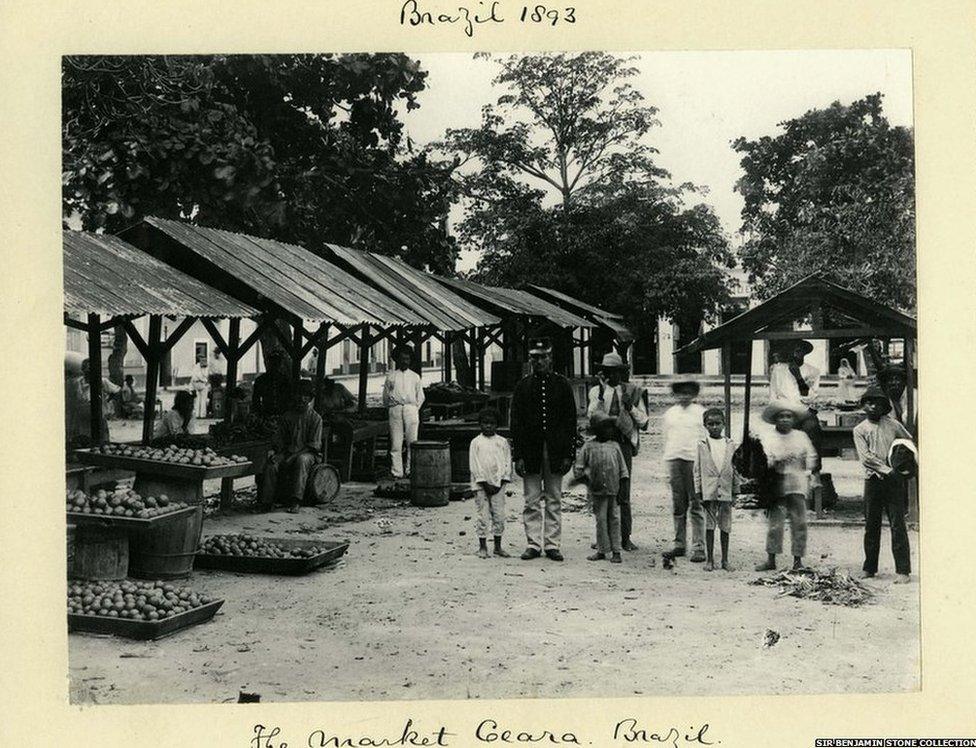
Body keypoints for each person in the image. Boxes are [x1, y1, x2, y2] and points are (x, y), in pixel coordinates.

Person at [510, 335, 577, 562]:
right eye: (534, 358)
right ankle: (533, 544)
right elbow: (516, 424)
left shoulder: (563, 386)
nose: (538, 362)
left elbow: (570, 422)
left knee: (554, 498)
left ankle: (552, 544)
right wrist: (517, 455)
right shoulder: (522, 387)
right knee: (531, 500)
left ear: (551, 358)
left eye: (543, 357)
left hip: (556, 450)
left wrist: (569, 454)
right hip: (530, 451)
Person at [586, 351, 648, 551]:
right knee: (601, 490)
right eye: (609, 372)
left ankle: (625, 537)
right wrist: (603, 395)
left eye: (617, 372)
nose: (613, 376)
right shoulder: (596, 391)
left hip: (622, 445)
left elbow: (644, 421)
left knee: (623, 491)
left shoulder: (633, 391)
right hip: (602, 445)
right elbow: (592, 417)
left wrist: (630, 407)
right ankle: (603, 537)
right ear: (603, 373)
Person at [853, 387, 914, 583]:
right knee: (871, 524)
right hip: (873, 480)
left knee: (898, 524)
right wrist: (889, 471)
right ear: (863, 406)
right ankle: (869, 568)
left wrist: (901, 462)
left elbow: (908, 442)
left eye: (878, 403)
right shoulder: (860, 430)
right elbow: (866, 458)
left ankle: (903, 570)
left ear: (884, 407)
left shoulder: (894, 425)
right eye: (869, 402)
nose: (873, 406)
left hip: (894, 482)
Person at [755, 400, 818, 572]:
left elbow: (811, 456)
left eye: (788, 416)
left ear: (793, 419)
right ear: (775, 419)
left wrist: (806, 467)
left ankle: (798, 560)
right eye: (781, 416)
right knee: (775, 523)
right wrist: (775, 461)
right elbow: (763, 458)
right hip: (777, 485)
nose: (784, 420)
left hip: (797, 484)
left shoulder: (800, 436)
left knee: (799, 523)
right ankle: (771, 559)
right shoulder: (768, 437)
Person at [260, 380, 323, 513]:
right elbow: (280, 440)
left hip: (309, 454)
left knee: (302, 460)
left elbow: (313, 445)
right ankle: (267, 501)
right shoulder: (287, 416)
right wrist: (277, 454)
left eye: (305, 396)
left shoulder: (316, 418)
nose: (301, 398)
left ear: (310, 398)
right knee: (271, 464)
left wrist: (294, 456)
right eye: (299, 395)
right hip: (288, 452)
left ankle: (296, 500)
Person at [663, 379, 707, 561]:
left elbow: (705, 439)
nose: (684, 396)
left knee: (696, 504)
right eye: (681, 392)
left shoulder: (701, 412)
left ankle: (699, 547)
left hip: (694, 460)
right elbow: (665, 438)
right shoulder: (670, 414)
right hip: (674, 459)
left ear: (694, 394)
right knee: (678, 504)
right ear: (676, 394)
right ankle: (679, 544)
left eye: (688, 392)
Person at [578, 413, 629, 564]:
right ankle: (602, 549)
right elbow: (579, 467)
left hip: (614, 489)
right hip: (597, 491)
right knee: (600, 520)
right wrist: (587, 481)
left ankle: (616, 550)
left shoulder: (615, 447)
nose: (609, 431)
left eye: (610, 428)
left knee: (614, 519)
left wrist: (623, 490)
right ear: (596, 430)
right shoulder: (588, 447)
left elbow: (623, 471)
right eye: (605, 428)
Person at [693, 408, 740, 571]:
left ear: (724, 424)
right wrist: (699, 492)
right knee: (710, 526)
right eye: (710, 424)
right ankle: (710, 560)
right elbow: (697, 470)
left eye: (717, 423)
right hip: (709, 492)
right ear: (705, 426)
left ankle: (725, 560)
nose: (714, 427)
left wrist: (735, 492)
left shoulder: (731, 445)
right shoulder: (702, 445)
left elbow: (735, 470)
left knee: (726, 526)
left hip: (726, 491)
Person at [469, 407, 512, 559]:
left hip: (498, 485)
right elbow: (475, 465)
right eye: (485, 423)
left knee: (499, 515)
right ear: (480, 424)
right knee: (483, 515)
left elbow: (507, 462)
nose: (488, 426)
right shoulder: (476, 442)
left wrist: (501, 481)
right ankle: (482, 547)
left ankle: (498, 546)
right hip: (481, 486)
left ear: (497, 425)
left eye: (492, 423)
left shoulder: (502, 442)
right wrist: (484, 483)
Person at [383, 345, 425, 478]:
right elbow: (385, 397)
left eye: (407, 359)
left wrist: (413, 408)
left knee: (412, 442)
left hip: (411, 409)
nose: (404, 361)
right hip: (395, 409)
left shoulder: (415, 377)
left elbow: (421, 396)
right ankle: (397, 472)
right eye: (402, 359)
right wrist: (392, 407)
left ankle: (410, 470)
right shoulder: (391, 376)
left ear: (410, 360)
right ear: (397, 360)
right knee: (396, 443)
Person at [80, 358, 120, 442]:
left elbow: (116, 391)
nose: (87, 372)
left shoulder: (102, 381)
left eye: (90, 369)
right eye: (85, 369)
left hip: (99, 414)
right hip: (83, 416)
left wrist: (106, 401)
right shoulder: (80, 382)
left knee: (101, 437)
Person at [252, 348, 293, 419]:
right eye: (273, 362)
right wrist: (260, 414)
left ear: (280, 364)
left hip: (283, 416)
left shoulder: (285, 380)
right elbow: (256, 401)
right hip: (266, 415)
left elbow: (289, 399)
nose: (275, 365)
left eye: (277, 362)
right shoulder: (261, 380)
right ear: (268, 363)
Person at [877, 364, 918, 434]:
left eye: (897, 379)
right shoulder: (890, 396)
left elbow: (909, 422)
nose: (893, 383)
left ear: (904, 382)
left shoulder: (913, 394)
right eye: (889, 380)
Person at [189, 355, 209, 419]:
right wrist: (205, 380)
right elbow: (204, 375)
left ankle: (198, 414)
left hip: (196, 383)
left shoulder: (196, 367)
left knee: (198, 399)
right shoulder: (203, 367)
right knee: (202, 399)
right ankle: (202, 415)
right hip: (202, 383)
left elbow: (193, 377)